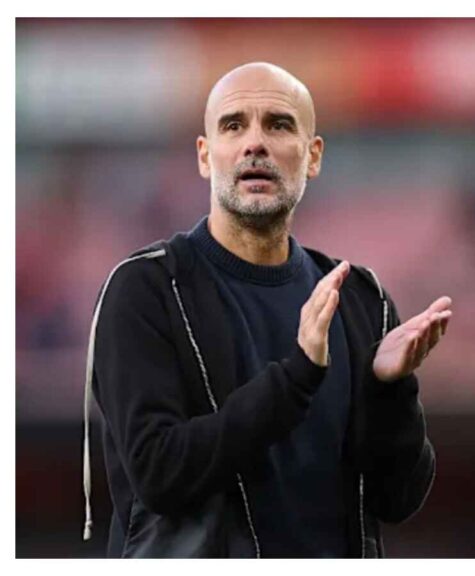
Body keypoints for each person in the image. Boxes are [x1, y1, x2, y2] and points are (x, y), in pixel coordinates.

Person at [82, 62, 451, 558]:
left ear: (313, 155)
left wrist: (392, 392)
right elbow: (159, 473)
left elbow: (398, 498)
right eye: (234, 126)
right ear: (205, 155)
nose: (255, 143)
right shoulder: (147, 289)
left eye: (278, 124)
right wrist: (298, 377)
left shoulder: (359, 297)